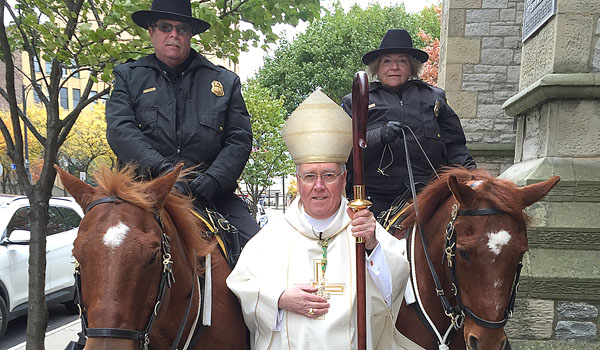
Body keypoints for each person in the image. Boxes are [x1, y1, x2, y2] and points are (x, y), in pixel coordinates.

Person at [226, 90, 422, 350]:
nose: (318, 186)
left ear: (343, 180)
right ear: (298, 182)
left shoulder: (364, 229)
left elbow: (393, 291)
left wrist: (373, 246)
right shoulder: (272, 237)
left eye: (328, 175)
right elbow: (243, 286)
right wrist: (280, 299)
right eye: (309, 176)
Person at [105, 0, 259, 249]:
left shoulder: (225, 82)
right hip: (141, 194)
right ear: (151, 31)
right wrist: (165, 172)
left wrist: (213, 180)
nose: (173, 35)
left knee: (257, 250)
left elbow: (239, 140)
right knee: (97, 253)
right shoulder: (128, 76)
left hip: (211, 197)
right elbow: (120, 130)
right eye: (165, 27)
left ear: (190, 35)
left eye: (182, 29)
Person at [342, 29, 476, 217]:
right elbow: (344, 151)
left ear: (411, 66)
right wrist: (378, 136)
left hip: (428, 194)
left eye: (402, 61)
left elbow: (455, 147)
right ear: (377, 68)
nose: (394, 67)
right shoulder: (357, 100)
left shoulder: (434, 97)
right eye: (387, 61)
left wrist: (474, 179)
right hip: (377, 197)